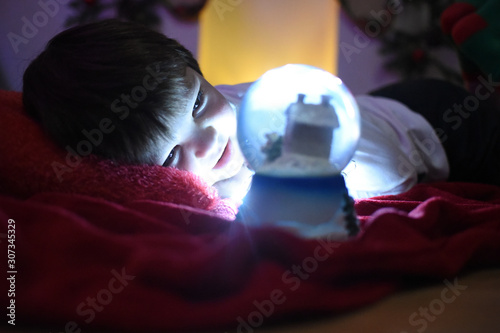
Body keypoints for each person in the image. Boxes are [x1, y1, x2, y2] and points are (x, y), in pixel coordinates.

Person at [22, 19, 500, 202]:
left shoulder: (273, 114)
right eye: (171, 156)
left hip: (427, 122)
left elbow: (396, 172)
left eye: (198, 102)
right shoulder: (200, 195)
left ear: (202, 76)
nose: (208, 142)